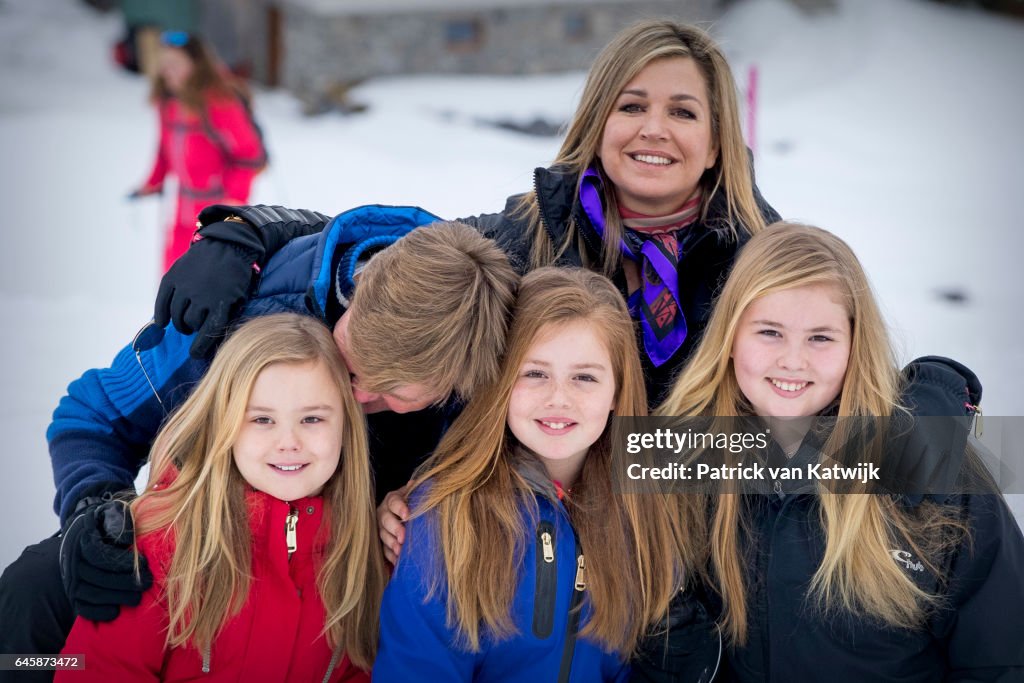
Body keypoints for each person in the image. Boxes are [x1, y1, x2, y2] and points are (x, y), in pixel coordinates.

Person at [0, 206, 518, 678]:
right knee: (36, 594)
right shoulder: (246, 304)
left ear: (455, 385)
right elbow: (93, 415)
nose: (354, 391)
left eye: (386, 391)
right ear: (358, 292)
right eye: (352, 359)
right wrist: (99, 511)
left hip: (343, 561)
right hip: (209, 546)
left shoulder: (478, 362)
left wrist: (426, 501)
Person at [639, 222, 1024, 681]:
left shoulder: (935, 465)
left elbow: (1002, 658)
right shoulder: (680, 459)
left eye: (820, 337)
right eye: (769, 332)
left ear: (854, 344)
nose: (793, 360)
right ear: (730, 336)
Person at [374, 267, 685, 681]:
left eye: (585, 377)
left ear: (617, 391)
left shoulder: (646, 511)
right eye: (535, 373)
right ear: (501, 380)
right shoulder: (446, 515)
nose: (559, 398)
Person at [55, 313, 384, 681]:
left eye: (312, 419)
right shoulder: (162, 541)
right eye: (261, 419)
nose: (289, 442)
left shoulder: (362, 552)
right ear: (224, 423)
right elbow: (99, 671)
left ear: (346, 426)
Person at [129, 31, 266, 272]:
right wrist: (153, 182)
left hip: (218, 211)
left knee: (212, 281)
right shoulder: (169, 102)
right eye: (164, 64)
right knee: (174, 277)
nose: (166, 71)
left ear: (197, 65)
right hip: (183, 209)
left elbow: (248, 156)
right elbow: (165, 149)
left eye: (175, 64)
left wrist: (234, 201)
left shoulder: (220, 102)